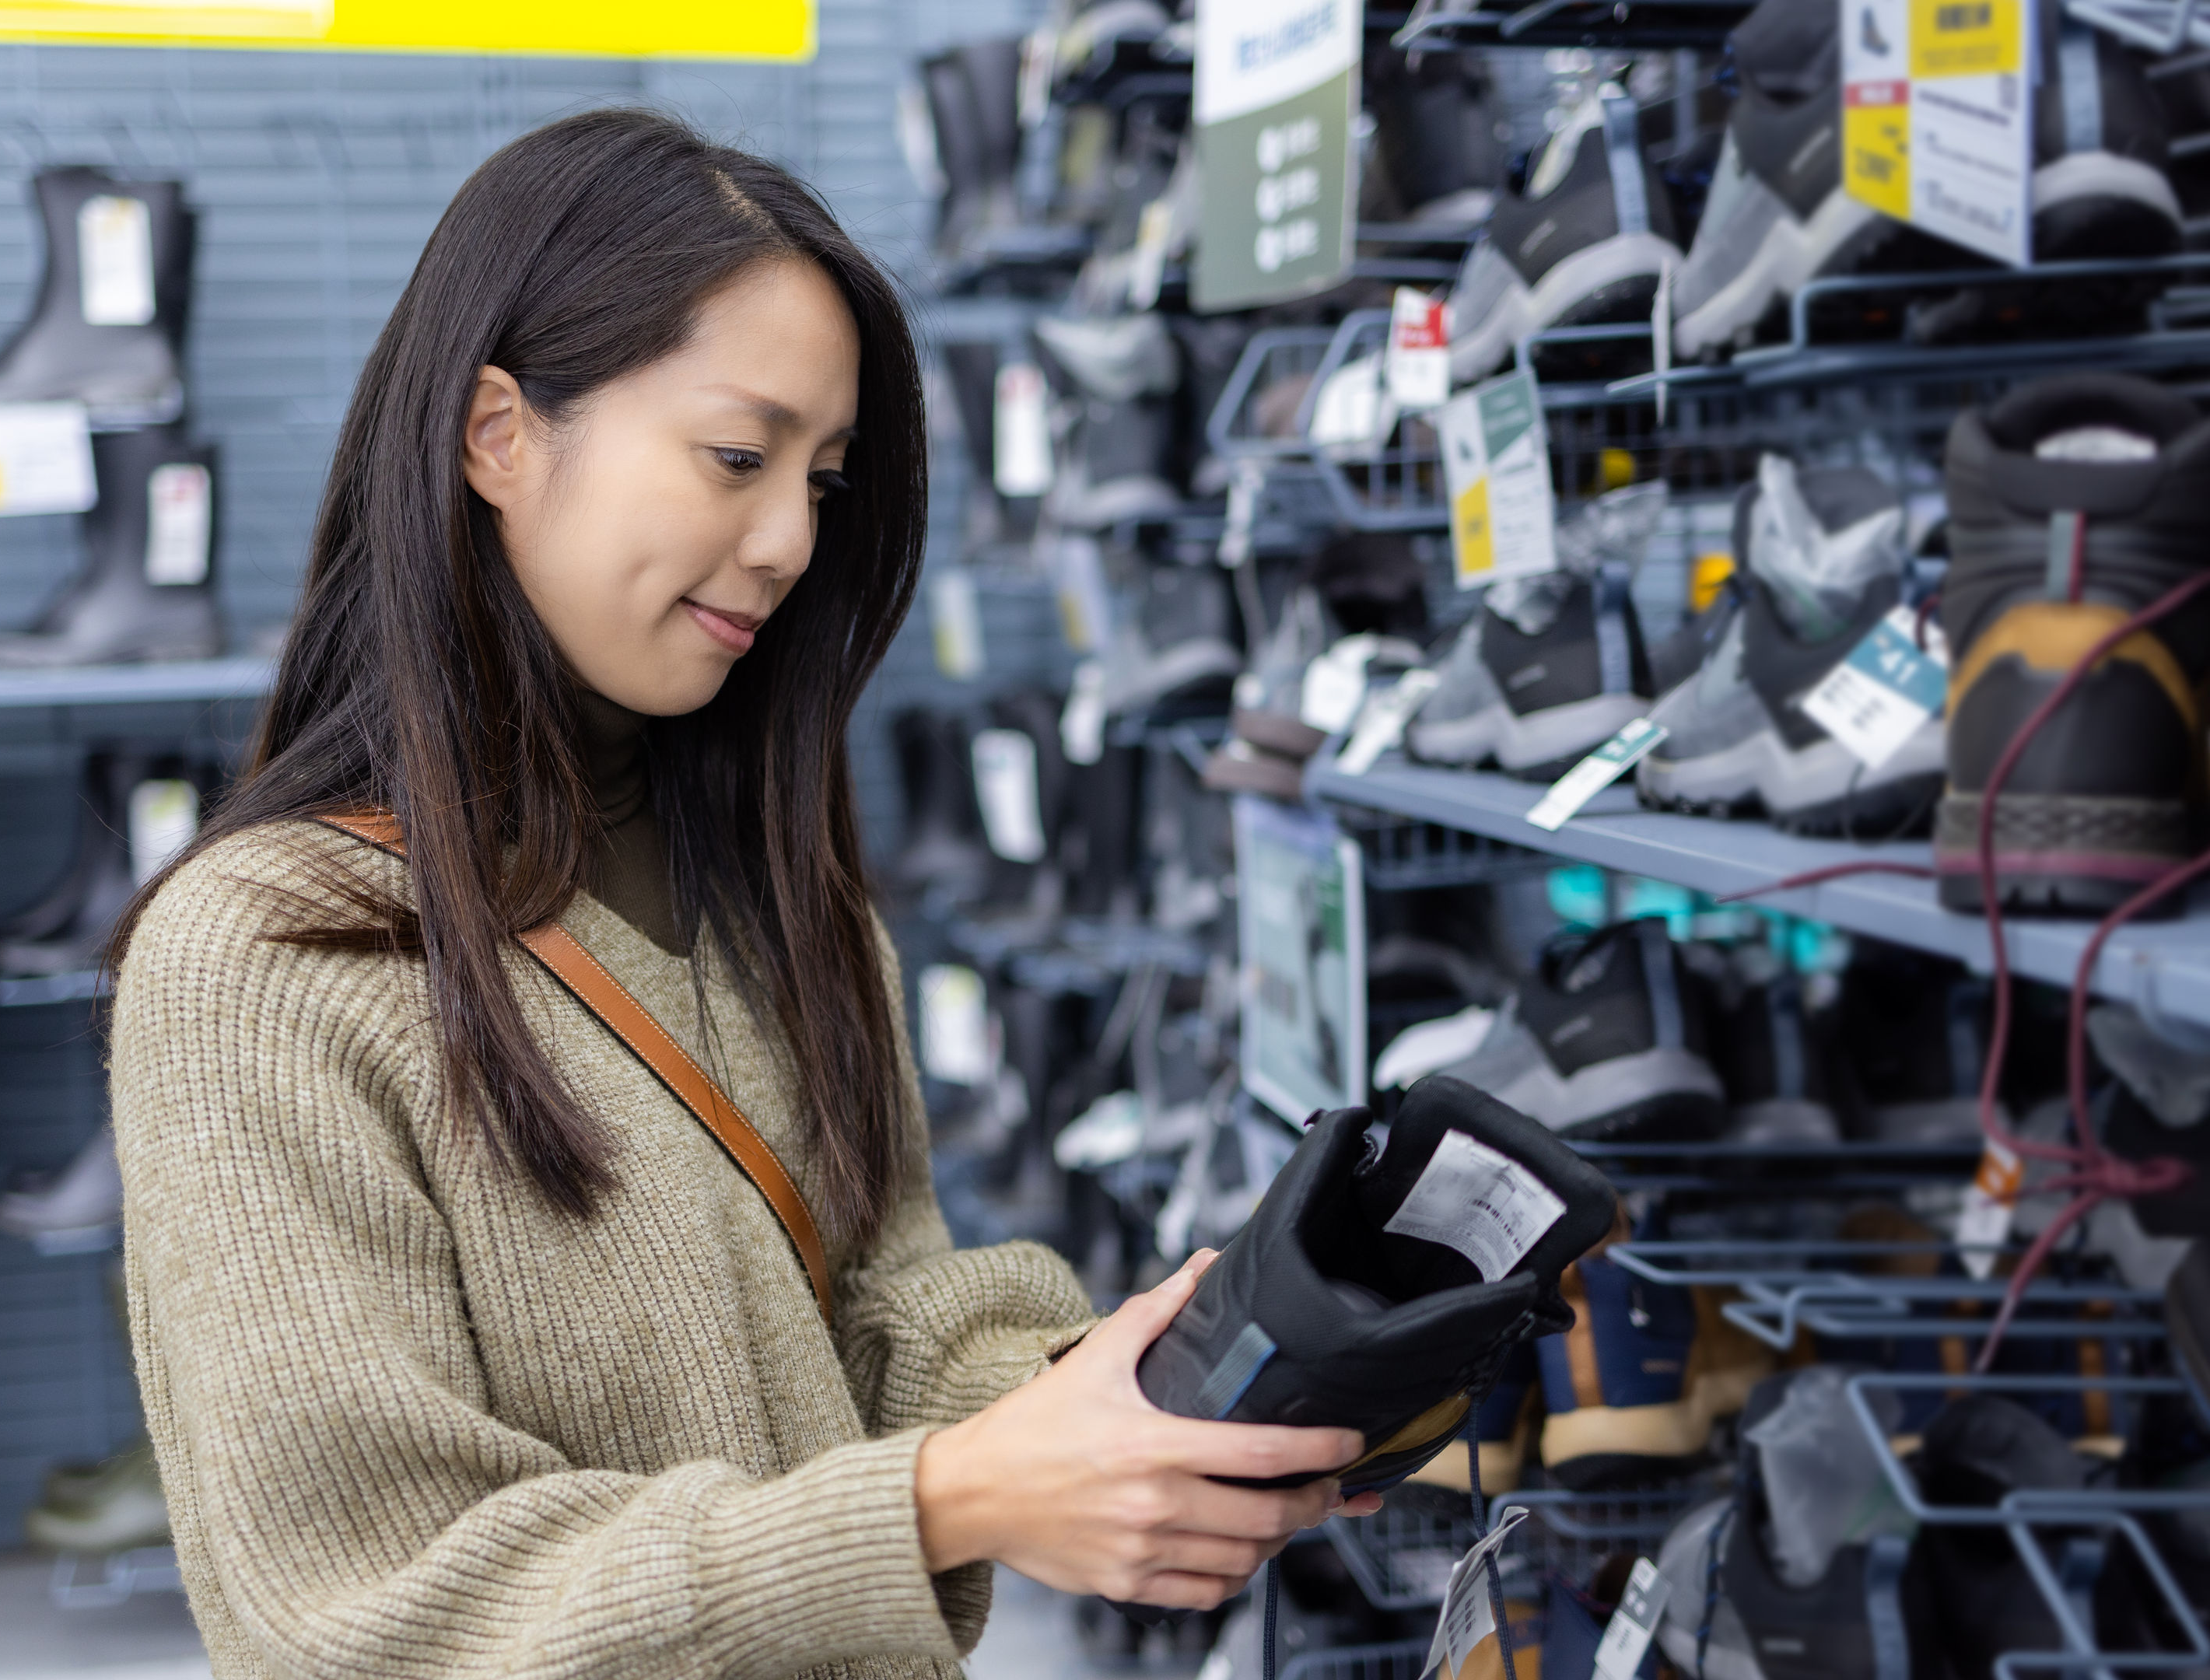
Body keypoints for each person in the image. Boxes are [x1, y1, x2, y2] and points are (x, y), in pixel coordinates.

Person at [107, 110, 1377, 1680]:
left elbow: (886, 1309)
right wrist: (934, 1504)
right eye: (734, 456)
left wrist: (1128, 1396)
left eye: (826, 485)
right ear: (497, 433)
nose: (786, 543)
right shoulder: (269, 958)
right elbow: (363, 1622)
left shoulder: (780, 891)